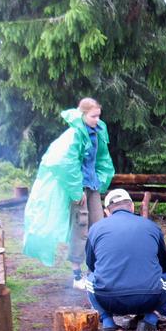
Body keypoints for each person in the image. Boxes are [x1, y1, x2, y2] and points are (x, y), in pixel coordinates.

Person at [23, 98, 115, 289]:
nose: (97, 119)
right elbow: (65, 163)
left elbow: (102, 159)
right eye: (93, 116)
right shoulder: (74, 135)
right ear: (83, 114)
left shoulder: (98, 132)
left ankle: (96, 272)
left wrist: (100, 180)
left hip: (93, 187)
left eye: (99, 115)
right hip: (79, 189)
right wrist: (76, 190)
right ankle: (77, 276)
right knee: (80, 229)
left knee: (98, 227)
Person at [84, 188, 166, 331]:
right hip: (148, 297)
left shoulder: (95, 229)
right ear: (131, 207)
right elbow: (165, 263)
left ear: (106, 211)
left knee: (89, 279)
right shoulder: (151, 226)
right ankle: (149, 321)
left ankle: (108, 324)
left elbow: (91, 265)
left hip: (109, 299)